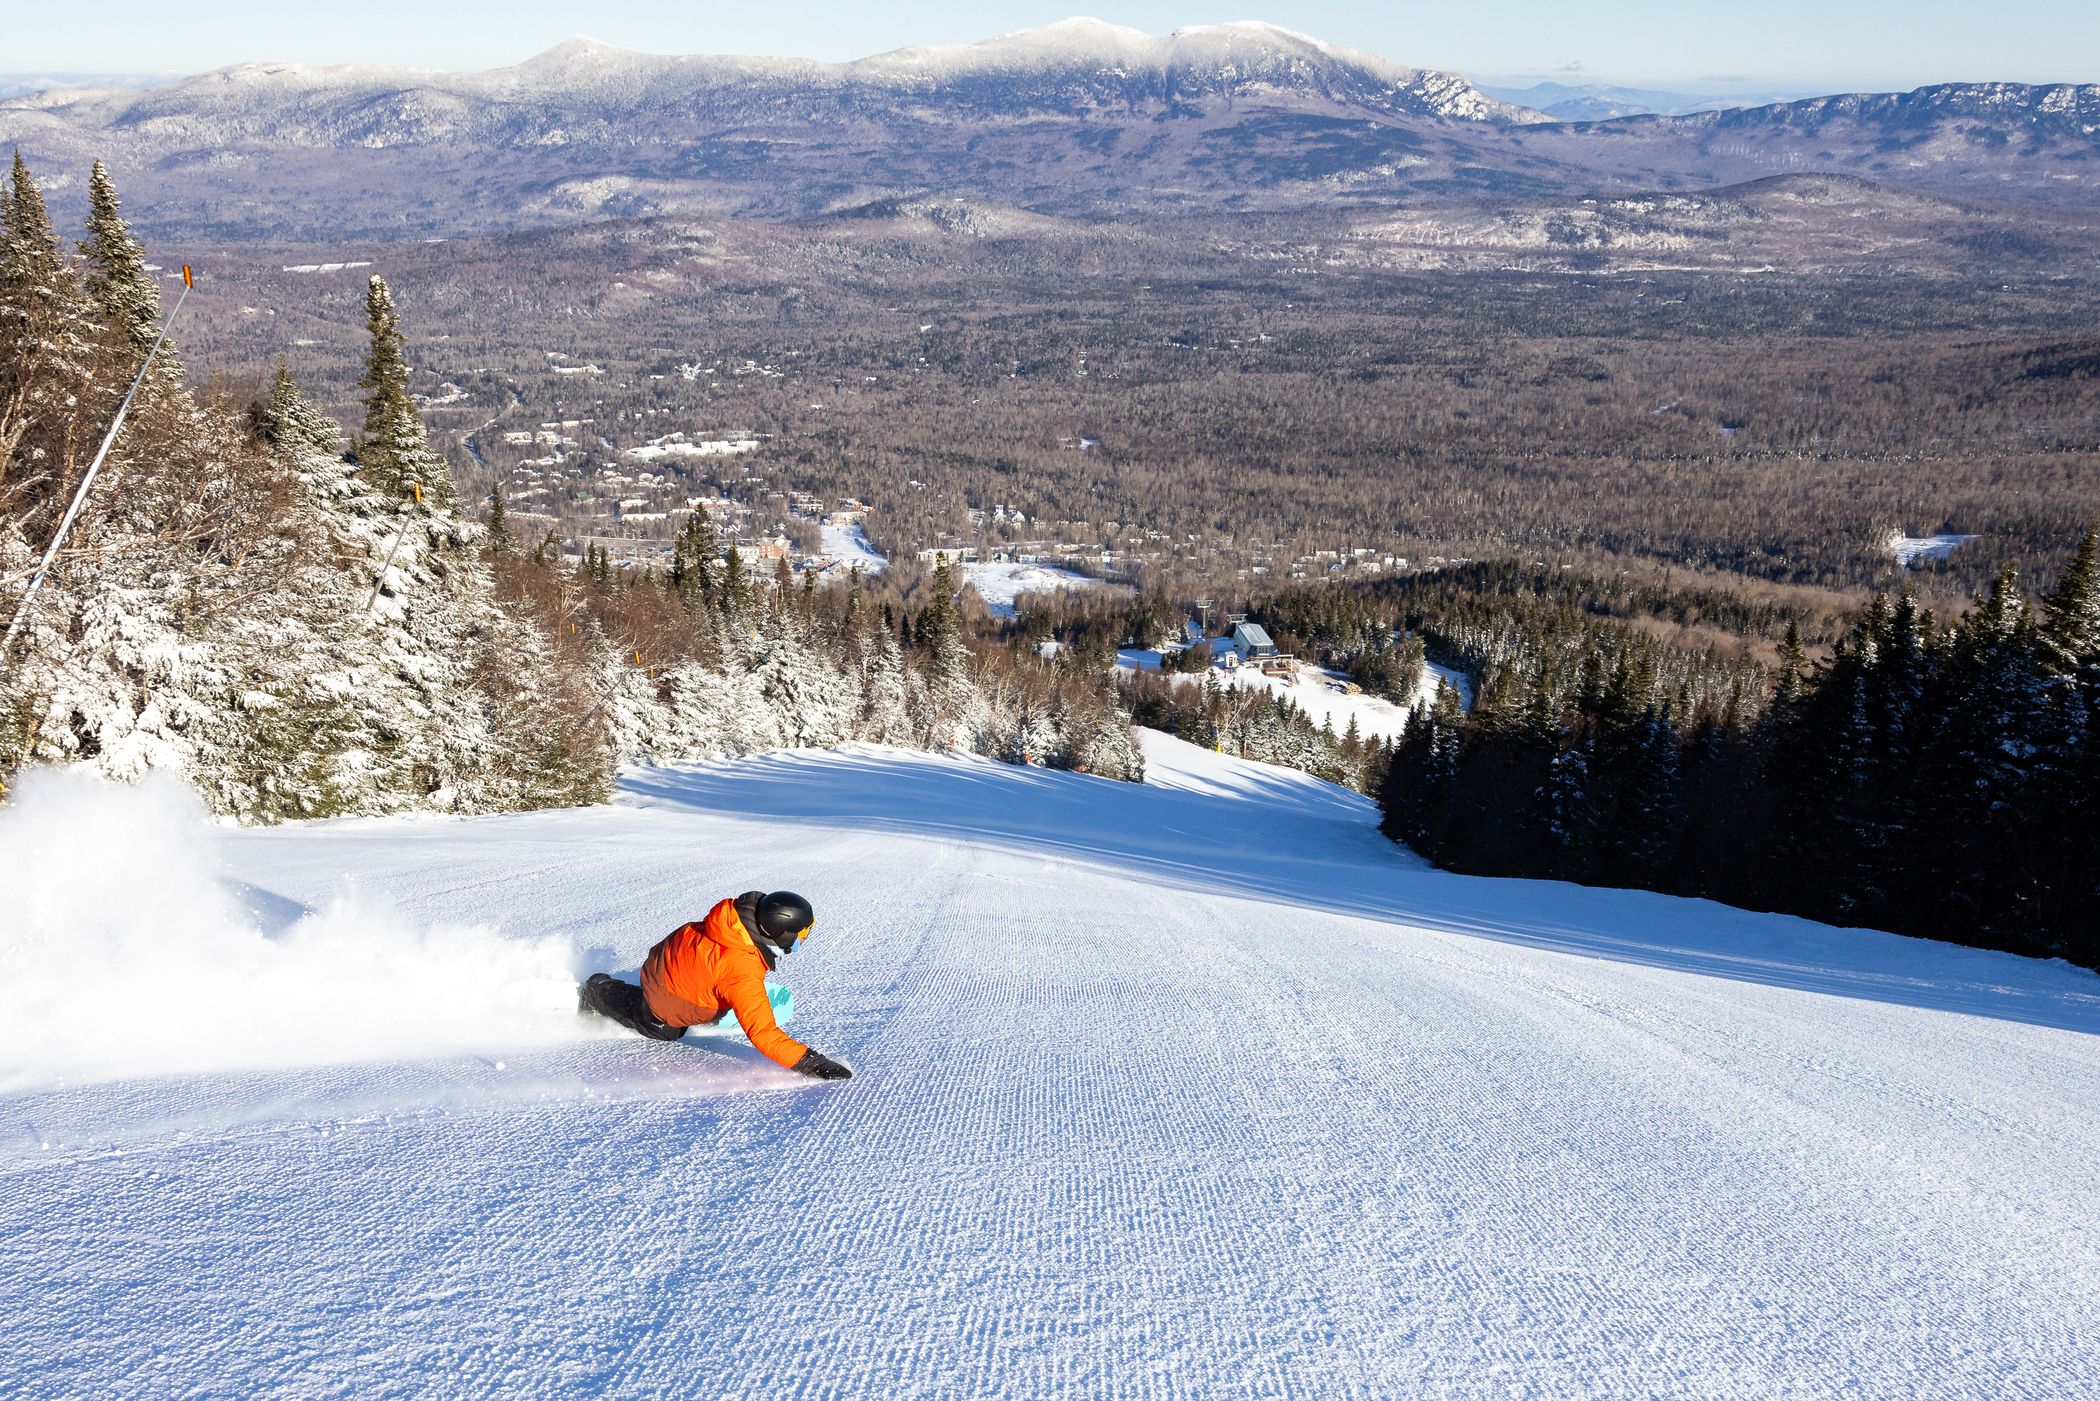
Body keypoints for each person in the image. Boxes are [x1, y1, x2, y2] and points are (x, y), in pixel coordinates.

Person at [578, 890, 852, 1081]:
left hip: (666, 959)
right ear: (780, 933)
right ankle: (597, 992)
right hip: (665, 996)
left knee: (729, 989)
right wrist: (811, 1062)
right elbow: (763, 1033)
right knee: (664, 1027)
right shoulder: (742, 973)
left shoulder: (731, 922)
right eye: (800, 935)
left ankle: (724, 1000)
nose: (801, 941)